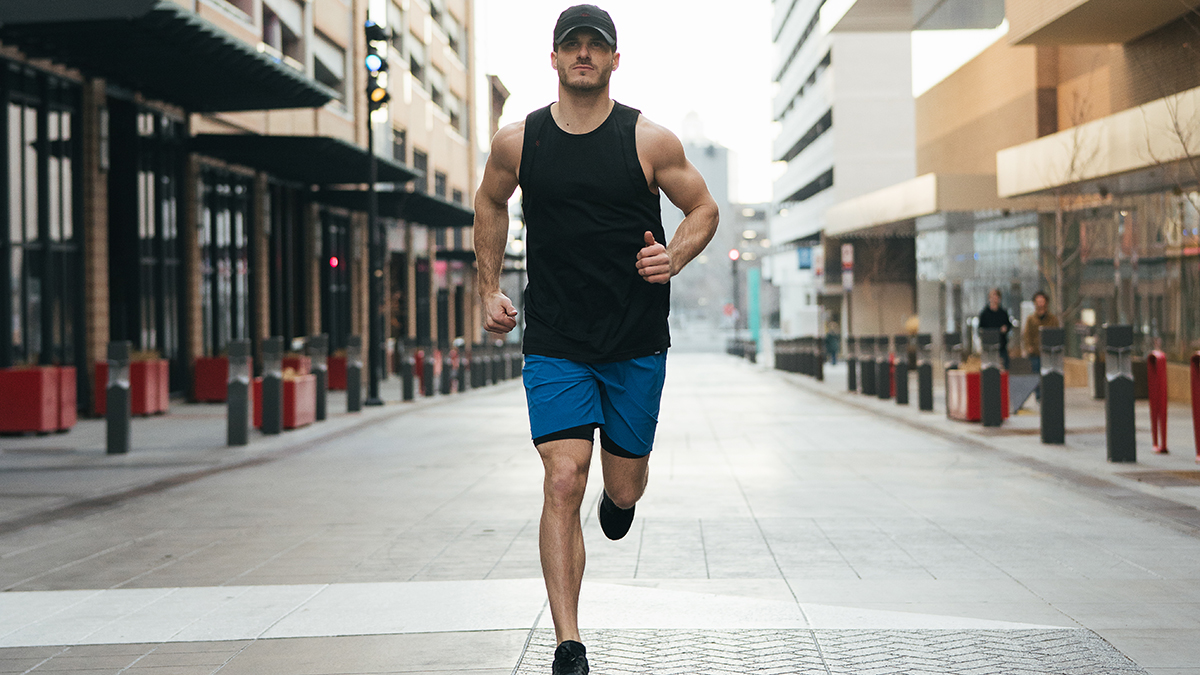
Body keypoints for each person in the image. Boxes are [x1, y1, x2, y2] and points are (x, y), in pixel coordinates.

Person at [472, 6, 719, 674]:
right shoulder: (519, 141)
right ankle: (568, 643)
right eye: (571, 45)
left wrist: (674, 254)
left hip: (635, 338)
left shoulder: (648, 140)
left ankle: (621, 499)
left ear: (614, 59)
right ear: (552, 58)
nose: (584, 54)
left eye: (595, 46)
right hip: (555, 337)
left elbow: (704, 209)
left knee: (625, 484)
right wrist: (488, 286)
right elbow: (489, 201)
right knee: (561, 479)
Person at [1022, 290, 1060, 397]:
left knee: (1049, 376)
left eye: (1042, 301)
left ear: (1046, 303)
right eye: (1038, 302)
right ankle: (1039, 397)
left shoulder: (1052, 319)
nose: (1040, 304)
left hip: (1049, 353)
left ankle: (1049, 395)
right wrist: (1028, 347)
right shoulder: (1031, 319)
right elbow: (1026, 335)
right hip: (1035, 353)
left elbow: (1056, 334)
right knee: (1036, 376)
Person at [978, 288, 1014, 370]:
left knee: (1004, 370)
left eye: (996, 297)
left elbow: (1009, 326)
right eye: (992, 297)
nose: (994, 299)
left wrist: (1005, 329)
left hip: (1001, 347)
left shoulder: (1003, 313)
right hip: (988, 348)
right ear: (989, 298)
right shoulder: (984, 314)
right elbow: (980, 330)